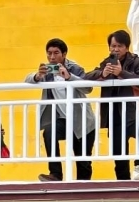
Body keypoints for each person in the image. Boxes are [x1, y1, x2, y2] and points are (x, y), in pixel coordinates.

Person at [25, 38, 96, 183]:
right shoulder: (47, 72)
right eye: (49, 53)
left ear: (64, 54)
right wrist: (37, 76)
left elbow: (88, 88)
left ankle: (83, 189)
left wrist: (69, 77)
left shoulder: (74, 68)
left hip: (82, 122)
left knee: (83, 162)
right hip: (62, 120)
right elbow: (27, 81)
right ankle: (55, 174)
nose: (52, 57)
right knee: (49, 132)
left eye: (56, 53)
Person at [84, 30, 139, 181]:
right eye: (113, 46)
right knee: (119, 154)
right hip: (114, 114)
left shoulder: (138, 62)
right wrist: (102, 74)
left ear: (127, 47)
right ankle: (124, 183)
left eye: (119, 46)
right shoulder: (106, 63)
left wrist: (122, 73)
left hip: (135, 111)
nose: (115, 49)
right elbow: (86, 77)